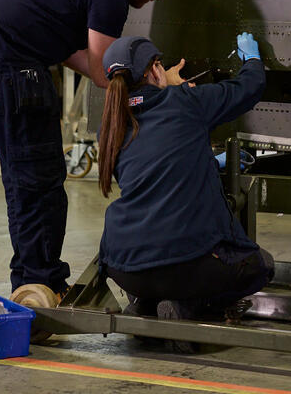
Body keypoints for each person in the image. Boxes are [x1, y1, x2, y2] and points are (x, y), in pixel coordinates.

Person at [0, 0, 190, 296]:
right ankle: (36, 283)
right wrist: (159, 83)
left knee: (37, 178)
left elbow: (71, 53)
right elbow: (105, 71)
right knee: (36, 181)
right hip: (8, 69)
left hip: (3, 64)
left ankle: (41, 277)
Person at [97, 31, 273, 335]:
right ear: (154, 70)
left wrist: (204, 159)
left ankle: (145, 302)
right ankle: (188, 308)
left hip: (123, 266)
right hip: (183, 262)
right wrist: (253, 59)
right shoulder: (186, 102)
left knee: (158, 263)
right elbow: (247, 88)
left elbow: (152, 166)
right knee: (262, 266)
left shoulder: (110, 126)